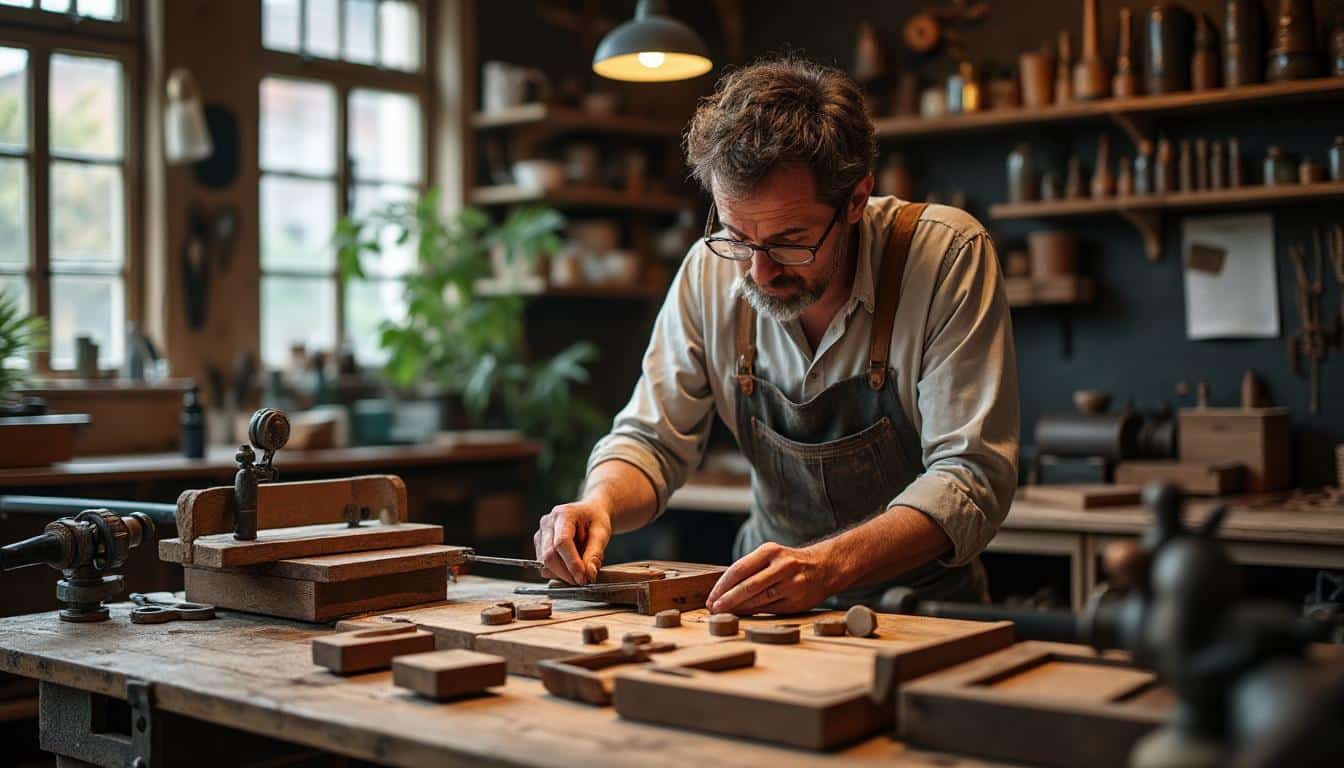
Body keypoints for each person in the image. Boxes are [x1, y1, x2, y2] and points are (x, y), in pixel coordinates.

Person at [533, 56, 1019, 614]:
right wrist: (600, 503)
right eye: (738, 237)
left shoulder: (945, 257)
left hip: (921, 610)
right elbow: (652, 440)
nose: (759, 274)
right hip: (761, 608)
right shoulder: (709, 271)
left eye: (791, 242)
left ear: (856, 199)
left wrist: (826, 566)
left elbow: (970, 476)